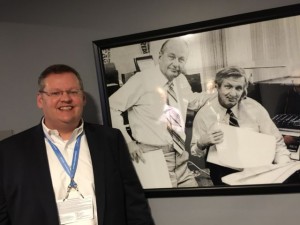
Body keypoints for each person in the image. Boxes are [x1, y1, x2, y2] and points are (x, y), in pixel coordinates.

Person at [0, 64, 155, 225]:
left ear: (83, 98)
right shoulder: (10, 151)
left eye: (73, 92)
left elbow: (135, 205)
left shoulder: (110, 140)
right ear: (40, 100)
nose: (66, 98)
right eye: (55, 93)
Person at [109, 38, 212, 188]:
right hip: (154, 157)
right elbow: (111, 107)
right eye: (172, 57)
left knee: (193, 201)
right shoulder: (141, 79)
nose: (176, 64)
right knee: (166, 207)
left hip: (181, 156)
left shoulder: (180, 79)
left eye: (181, 59)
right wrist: (128, 142)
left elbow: (192, 101)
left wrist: (216, 94)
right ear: (160, 56)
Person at [190, 66, 292, 185]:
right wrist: (201, 143)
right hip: (223, 176)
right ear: (217, 86)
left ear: (244, 89)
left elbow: (277, 144)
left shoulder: (255, 109)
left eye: (238, 88)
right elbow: (194, 152)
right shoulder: (204, 115)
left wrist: (285, 169)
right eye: (228, 87)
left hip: (257, 173)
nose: (233, 94)